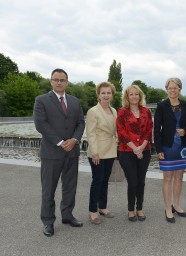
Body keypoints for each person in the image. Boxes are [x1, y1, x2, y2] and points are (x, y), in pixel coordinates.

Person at [33, 68, 85, 237]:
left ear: (67, 82)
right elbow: (41, 124)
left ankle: (67, 216)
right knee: (48, 189)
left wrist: (74, 140)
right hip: (51, 152)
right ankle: (48, 222)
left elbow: (80, 123)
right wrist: (61, 142)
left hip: (72, 152)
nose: (59, 82)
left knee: (70, 187)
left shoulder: (75, 102)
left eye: (62, 80)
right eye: (56, 79)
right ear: (51, 81)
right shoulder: (41, 100)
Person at [154, 77, 186, 223]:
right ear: (167, 89)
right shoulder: (162, 106)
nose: (172, 90)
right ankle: (168, 208)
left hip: (182, 147)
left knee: (179, 177)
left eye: (175, 88)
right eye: (170, 88)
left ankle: (176, 205)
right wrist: (158, 148)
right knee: (167, 177)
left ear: (179, 89)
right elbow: (156, 129)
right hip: (167, 146)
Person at [117, 85, 153, 222]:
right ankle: (131, 210)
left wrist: (142, 147)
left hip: (145, 151)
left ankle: (140, 208)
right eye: (131, 94)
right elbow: (121, 132)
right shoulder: (122, 112)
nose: (134, 97)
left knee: (141, 182)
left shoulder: (146, 111)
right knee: (132, 182)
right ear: (127, 97)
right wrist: (135, 148)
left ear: (140, 96)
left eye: (136, 94)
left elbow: (150, 130)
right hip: (126, 151)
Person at [86, 82, 118, 225]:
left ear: (112, 95)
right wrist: (95, 152)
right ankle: (93, 211)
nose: (106, 95)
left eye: (108, 93)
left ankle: (103, 207)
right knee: (97, 181)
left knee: (105, 181)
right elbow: (90, 134)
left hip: (110, 150)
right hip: (97, 151)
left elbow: (115, 130)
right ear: (98, 95)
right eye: (103, 93)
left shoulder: (114, 111)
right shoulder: (93, 111)